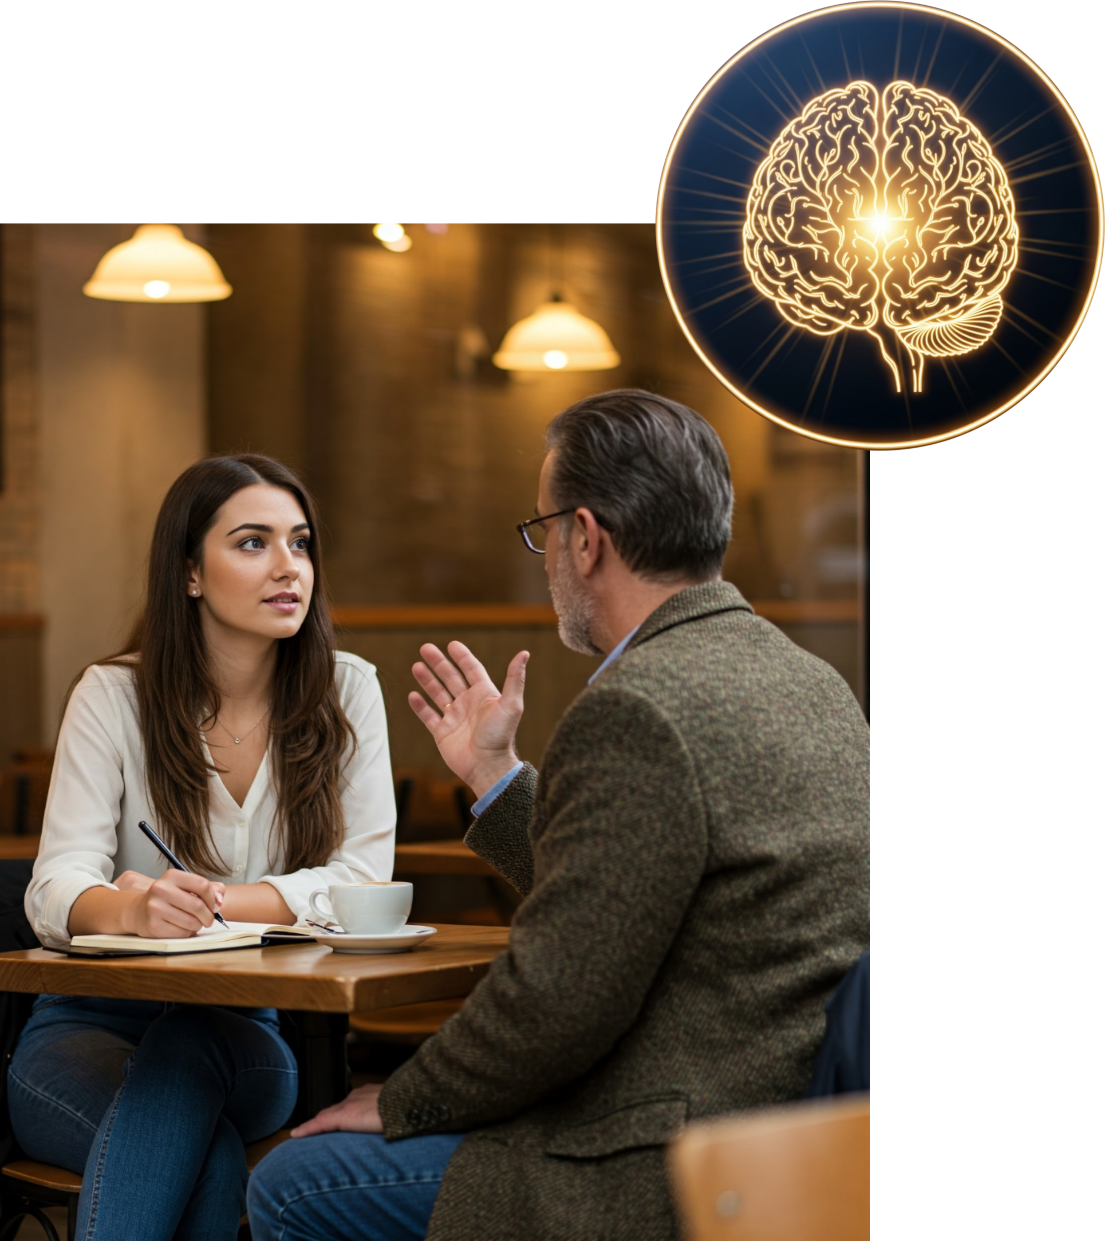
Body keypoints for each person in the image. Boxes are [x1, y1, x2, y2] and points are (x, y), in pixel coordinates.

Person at [246, 390, 868, 1241]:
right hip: (792, 1123)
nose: (546, 558)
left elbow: (557, 1000)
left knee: (291, 1180)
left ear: (586, 536)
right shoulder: (816, 686)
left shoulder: (636, 707)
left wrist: (405, 1096)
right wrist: (495, 776)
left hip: (657, 1152)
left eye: (542, 531)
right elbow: (633, 901)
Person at [9, 454, 396, 1240]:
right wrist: (131, 908)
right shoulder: (112, 696)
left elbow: (363, 878)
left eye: (301, 542)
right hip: (85, 1025)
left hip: (244, 1032)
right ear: (189, 572)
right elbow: (53, 888)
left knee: (190, 1049)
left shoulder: (347, 689)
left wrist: (214, 902)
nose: (288, 566)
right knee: (209, 1156)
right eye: (253, 542)